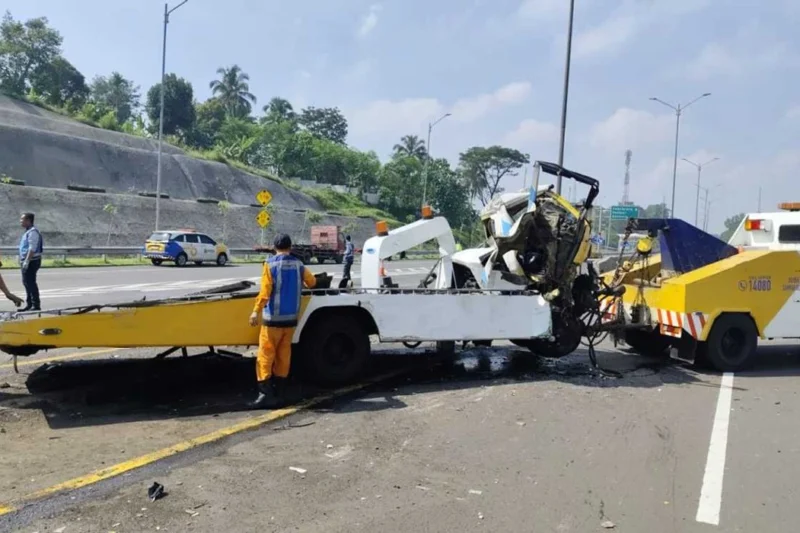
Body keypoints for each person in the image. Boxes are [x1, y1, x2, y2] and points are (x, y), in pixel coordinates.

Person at [248, 234, 317, 409]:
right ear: (290, 246)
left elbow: (265, 292)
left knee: (265, 355)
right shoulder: (298, 265)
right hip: (290, 320)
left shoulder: (270, 265)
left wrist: (256, 311)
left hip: (272, 320)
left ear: (274, 246)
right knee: (283, 355)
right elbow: (312, 282)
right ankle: (281, 393)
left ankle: (265, 395)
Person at [19, 212, 43, 311]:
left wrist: (27, 261)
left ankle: (35, 305)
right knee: (26, 282)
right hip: (27, 260)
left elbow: (32, 248)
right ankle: (30, 304)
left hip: (32, 261)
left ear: (28, 220)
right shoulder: (28, 231)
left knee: (30, 282)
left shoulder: (33, 232)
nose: (21, 221)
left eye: (22, 219)